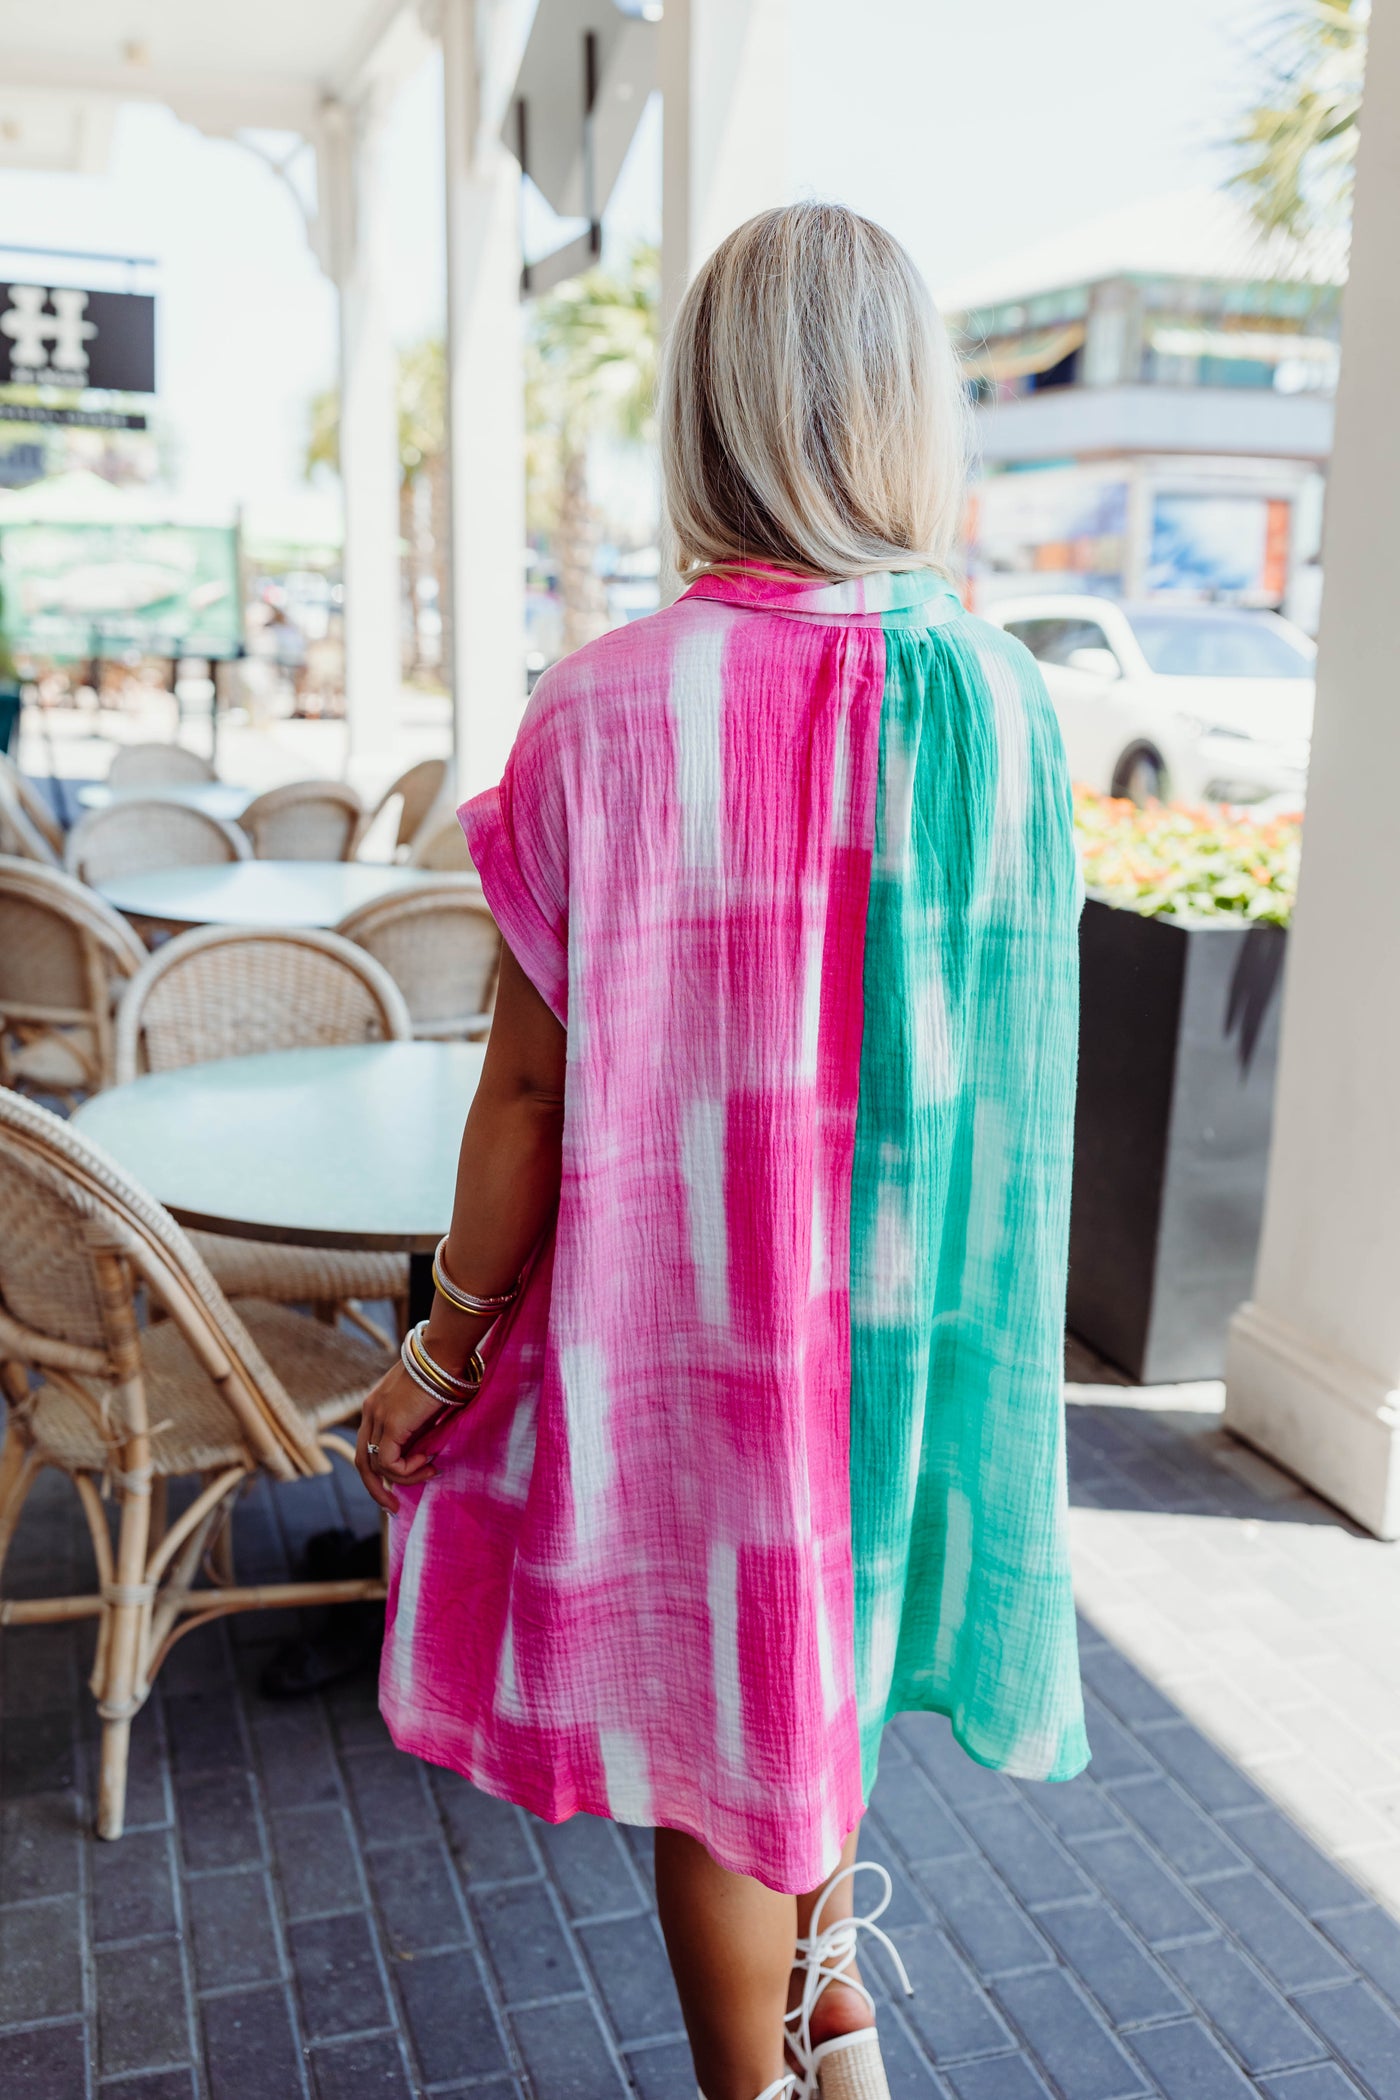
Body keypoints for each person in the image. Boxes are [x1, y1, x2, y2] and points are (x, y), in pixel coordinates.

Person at [355, 202, 1088, 2100]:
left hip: (705, 1322)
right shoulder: (1009, 707)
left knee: (718, 1745)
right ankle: (835, 2034)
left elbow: (524, 1096)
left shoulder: (609, 705)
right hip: (913, 1327)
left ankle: (758, 2087)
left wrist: (438, 1348)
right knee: (810, 1688)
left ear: (711, 415)